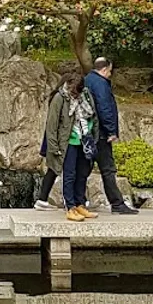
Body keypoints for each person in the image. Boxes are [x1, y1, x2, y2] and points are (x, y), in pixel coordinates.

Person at [33, 73, 96, 220]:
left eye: (79, 92)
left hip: (84, 140)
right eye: (74, 92)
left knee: (82, 174)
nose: (76, 95)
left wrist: (94, 137)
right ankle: (70, 207)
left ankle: (80, 204)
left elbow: (93, 117)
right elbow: (51, 125)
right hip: (67, 143)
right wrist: (54, 148)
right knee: (69, 175)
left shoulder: (86, 96)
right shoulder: (59, 98)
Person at [83, 56, 138, 215]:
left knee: (84, 168)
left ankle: (78, 200)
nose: (110, 75)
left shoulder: (88, 80)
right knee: (108, 168)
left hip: (88, 131)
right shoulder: (101, 84)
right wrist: (111, 131)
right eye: (110, 71)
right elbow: (104, 107)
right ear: (105, 69)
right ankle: (117, 203)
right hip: (100, 133)